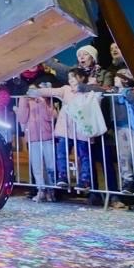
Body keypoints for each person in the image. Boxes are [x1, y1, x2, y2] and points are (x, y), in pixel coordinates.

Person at [29, 66, 105, 193]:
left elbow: (101, 92)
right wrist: (36, 92)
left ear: (82, 78)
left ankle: (84, 179)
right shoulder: (66, 89)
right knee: (61, 153)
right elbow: (51, 91)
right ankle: (62, 176)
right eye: (69, 77)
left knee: (84, 155)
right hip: (66, 128)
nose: (71, 80)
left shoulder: (88, 90)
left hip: (82, 128)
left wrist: (85, 88)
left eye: (74, 77)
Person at [15, 67, 59, 201]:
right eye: (30, 91)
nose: (32, 93)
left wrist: (42, 101)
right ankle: (41, 189)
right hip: (33, 138)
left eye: (34, 90)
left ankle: (52, 190)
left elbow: (51, 116)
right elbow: (22, 118)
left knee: (50, 165)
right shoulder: (26, 101)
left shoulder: (45, 101)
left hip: (47, 136)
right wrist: (23, 100)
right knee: (37, 165)